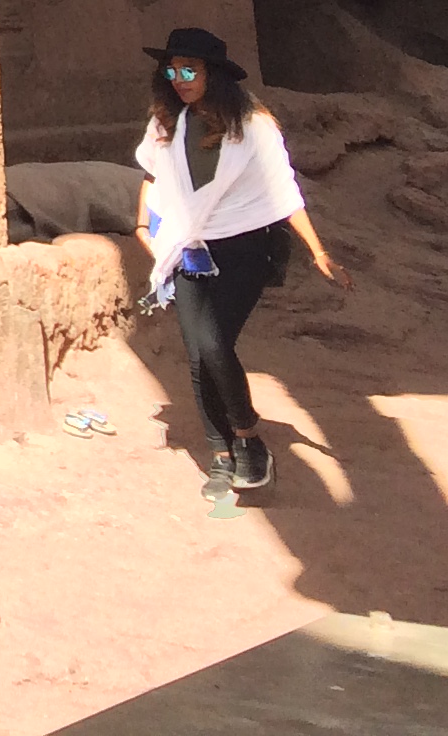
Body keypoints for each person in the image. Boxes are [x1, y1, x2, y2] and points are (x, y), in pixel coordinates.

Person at [131, 26, 347, 498]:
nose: (179, 78)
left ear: (214, 74)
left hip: (248, 248)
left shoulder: (254, 126)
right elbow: (154, 174)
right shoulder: (167, 121)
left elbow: (285, 193)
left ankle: (249, 439)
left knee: (212, 343)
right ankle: (222, 455)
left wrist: (319, 252)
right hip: (190, 248)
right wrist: (142, 226)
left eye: (189, 69)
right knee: (197, 355)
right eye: (171, 69)